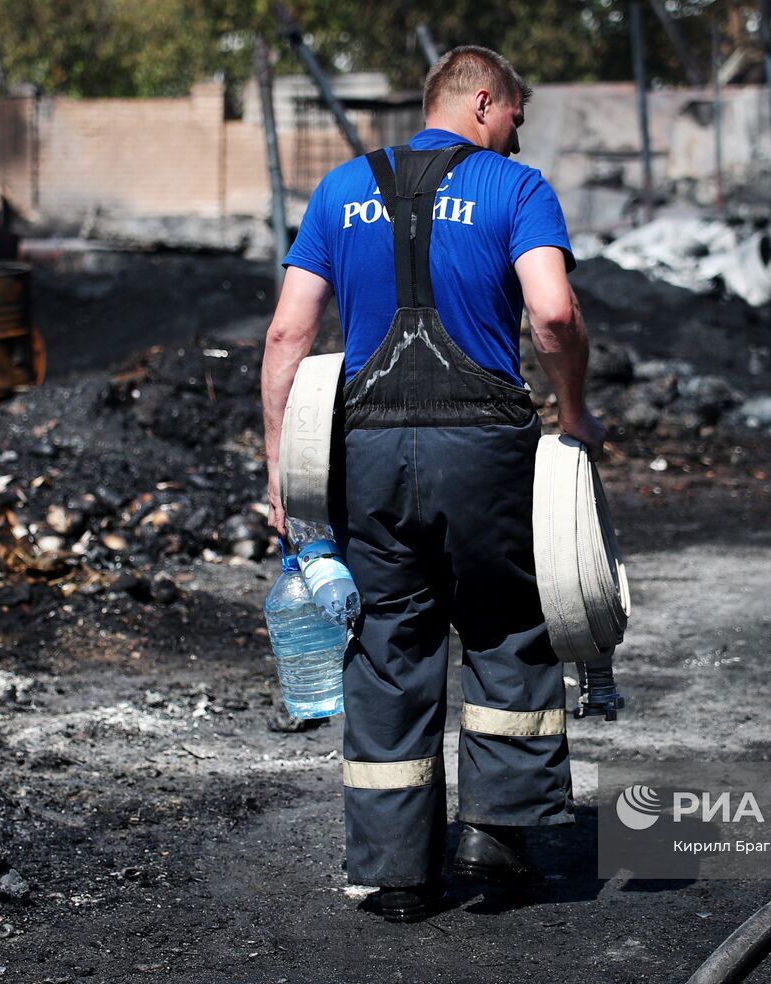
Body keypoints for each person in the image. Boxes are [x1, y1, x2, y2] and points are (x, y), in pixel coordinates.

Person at [259, 45, 604, 922]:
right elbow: (554, 311)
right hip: (485, 450)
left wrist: (282, 476)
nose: (518, 139)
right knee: (505, 628)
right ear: (485, 101)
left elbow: (286, 337)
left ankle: (401, 874)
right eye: (515, 118)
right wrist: (573, 415)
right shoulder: (515, 191)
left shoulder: (341, 189)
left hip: (366, 454)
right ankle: (497, 838)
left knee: (387, 650)